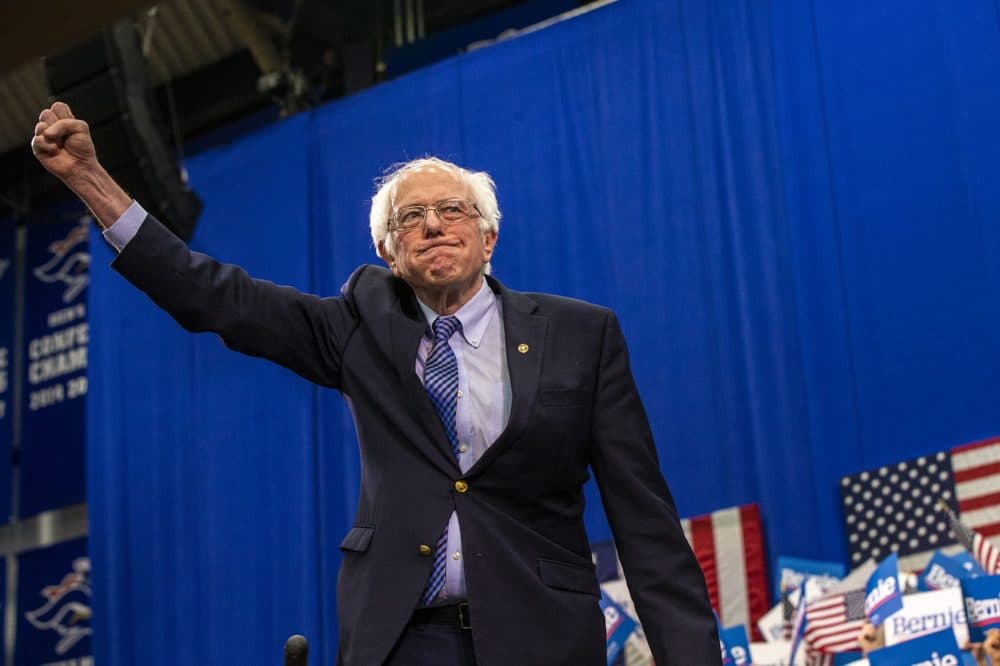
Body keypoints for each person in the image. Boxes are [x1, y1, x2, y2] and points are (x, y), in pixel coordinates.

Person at [32, 101, 720, 665]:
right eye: (408, 220)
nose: (431, 225)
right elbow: (216, 297)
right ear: (388, 254)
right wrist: (93, 180)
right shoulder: (360, 327)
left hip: (542, 636)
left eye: (452, 211)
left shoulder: (582, 335)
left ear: (489, 238)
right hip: (402, 639)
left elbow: (644, 519)